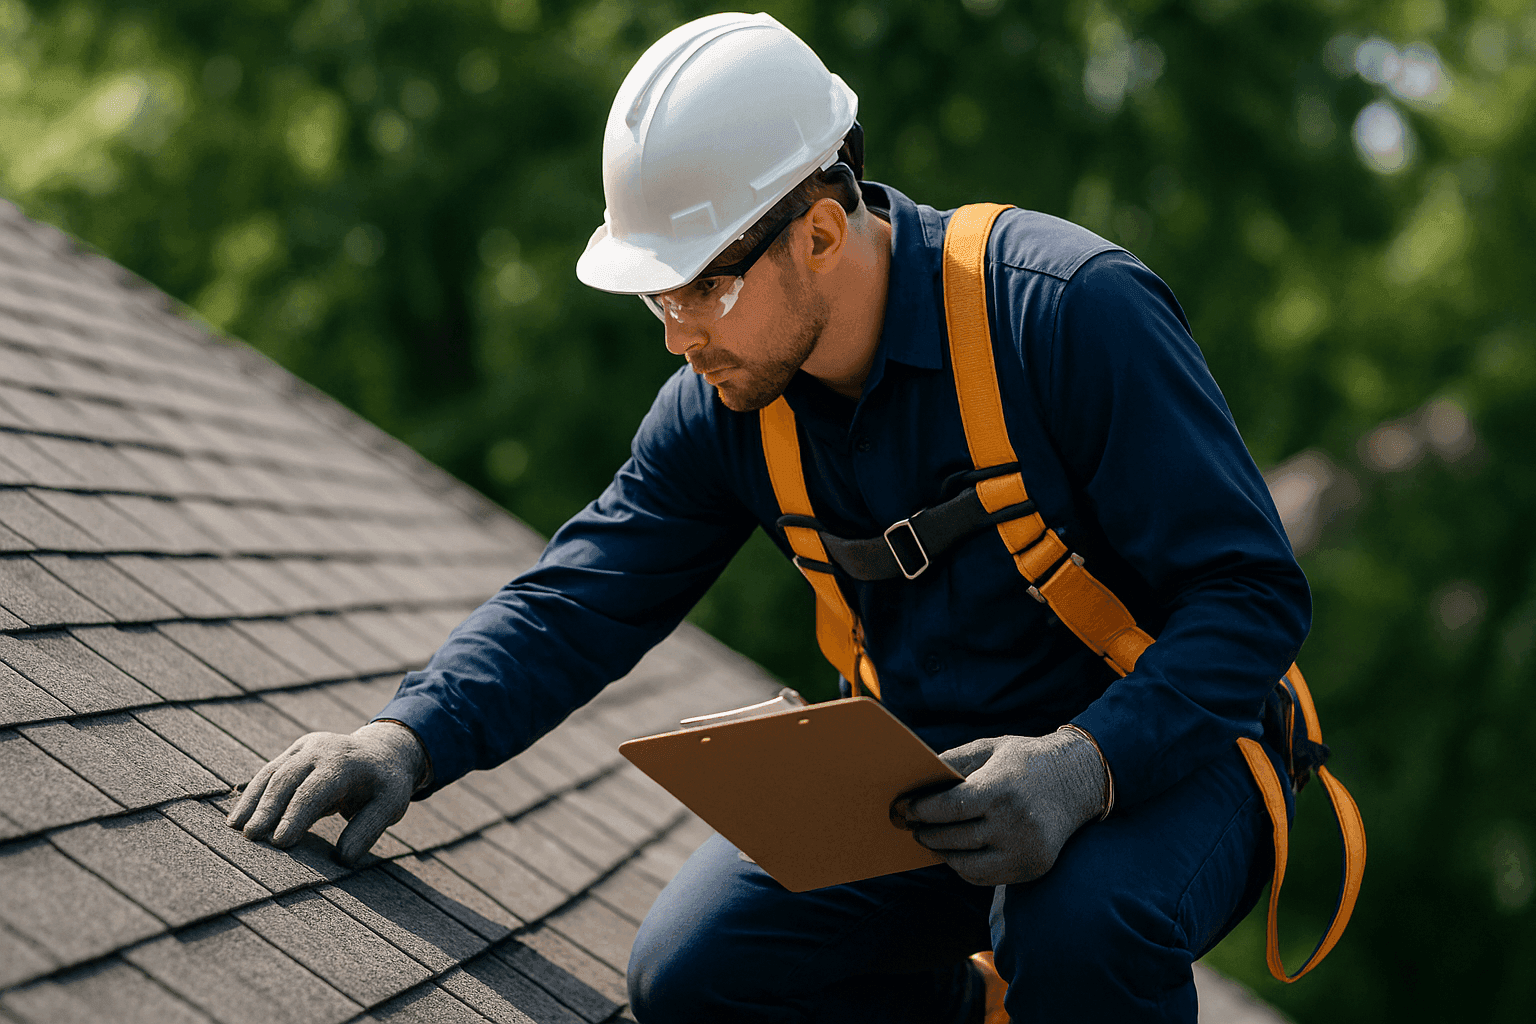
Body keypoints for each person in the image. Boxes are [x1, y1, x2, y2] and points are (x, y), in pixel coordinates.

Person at [227, 13, 1309, 1023]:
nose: (677, 336)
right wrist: (406, 736)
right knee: (695, 976)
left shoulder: (1068, 312)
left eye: (701, 288)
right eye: (660, 298)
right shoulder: (725, 404)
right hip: (932, 780)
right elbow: (580, 598)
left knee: (1079, 924)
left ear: (824, 231)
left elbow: (1254, 597)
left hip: (1168, 757)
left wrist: (1084, 765)